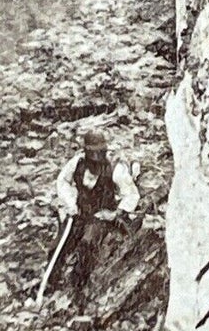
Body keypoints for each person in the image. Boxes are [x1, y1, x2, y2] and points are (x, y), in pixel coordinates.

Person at [46, 128, 140, 303]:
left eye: (101, 152)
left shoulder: (115, 168)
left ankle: (78, 288)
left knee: (87, 243)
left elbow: (132, 194)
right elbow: (62, 181)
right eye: (93, 153)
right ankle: (49, 283)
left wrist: (115, 213)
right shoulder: (77, 163)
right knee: (58, 245)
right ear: (86, 152)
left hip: (101, 215)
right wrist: (70, 203)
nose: (97, 157)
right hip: (79, 212)